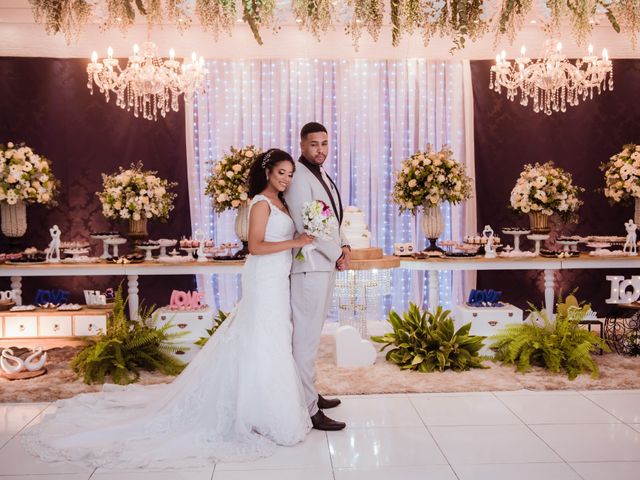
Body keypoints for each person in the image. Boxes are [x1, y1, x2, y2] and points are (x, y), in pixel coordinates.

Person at [22, 149, 315, 468]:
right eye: (281, 173)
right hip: (263, 279)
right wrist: (295, 243)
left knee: (271, 339)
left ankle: (263, 409)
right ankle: (256, 414)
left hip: (277, 279)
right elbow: (256, 247)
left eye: (290, 174)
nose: (286, 179)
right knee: (262, 338)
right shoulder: (260, 203)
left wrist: (299, 244)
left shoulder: (282, 203)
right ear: (267, 173)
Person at [285, 122, 350, 431]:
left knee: (312, 335)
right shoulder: (298, 177)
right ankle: (309, 409)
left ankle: (310, 391)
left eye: (324, 143)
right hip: (309, 267)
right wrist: (337, 253)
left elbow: (334, 219)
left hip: (323, 265)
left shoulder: (321, 174)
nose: (320, 149)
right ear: (302, 145)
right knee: (306, 340)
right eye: (314, 144)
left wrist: (345, 244)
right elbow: (309, 225)